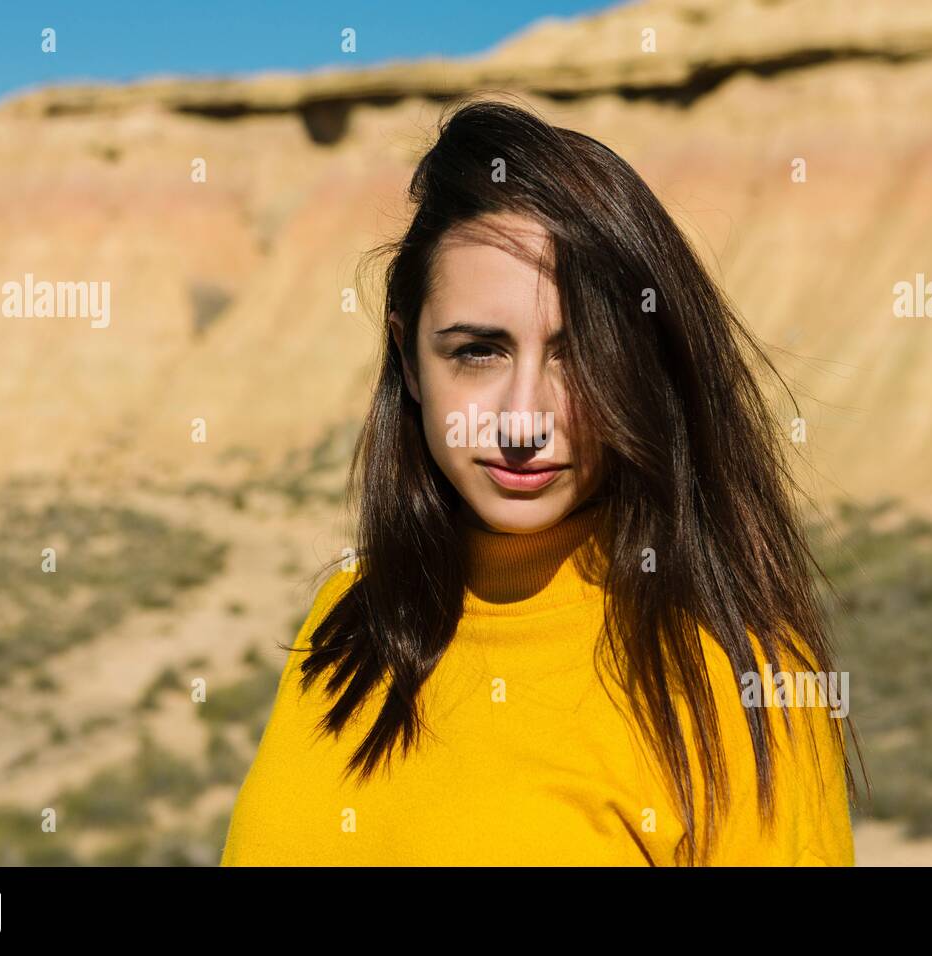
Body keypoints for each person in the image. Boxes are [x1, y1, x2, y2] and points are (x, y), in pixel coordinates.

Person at [221, 96, 862, 866]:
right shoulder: (350, 616)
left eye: (576, 353)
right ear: (410, 360)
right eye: (477, 352)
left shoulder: (742, 681)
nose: (524, 422)